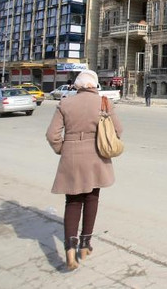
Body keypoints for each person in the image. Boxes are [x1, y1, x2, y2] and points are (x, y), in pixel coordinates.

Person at [45, 70, 123, 270]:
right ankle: (85, 244)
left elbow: (52, 134)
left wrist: (64, 148)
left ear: (77, 86)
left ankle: (70, 250)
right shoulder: (104, 102)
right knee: (92, 197)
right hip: (96, 157)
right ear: (94, 85)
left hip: (71, 157)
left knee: (72, 202)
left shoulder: (65, 103)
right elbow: (118, 131)